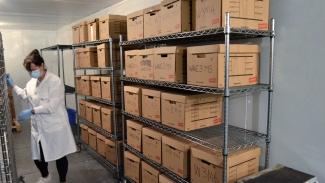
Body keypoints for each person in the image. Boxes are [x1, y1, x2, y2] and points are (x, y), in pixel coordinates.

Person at [6, 49, 76, 183]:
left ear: (42, 65)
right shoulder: (31, 82)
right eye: (29, 71)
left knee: (59, 155)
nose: (32, 73)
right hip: (38, 126)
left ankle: (63, 180)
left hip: (54, 124)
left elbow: (52, 106)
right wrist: (13, 86)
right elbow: (27, 97)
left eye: (34, 69)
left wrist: (31, 111)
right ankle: (46, 176)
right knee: (37, 156)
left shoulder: (55, 81)